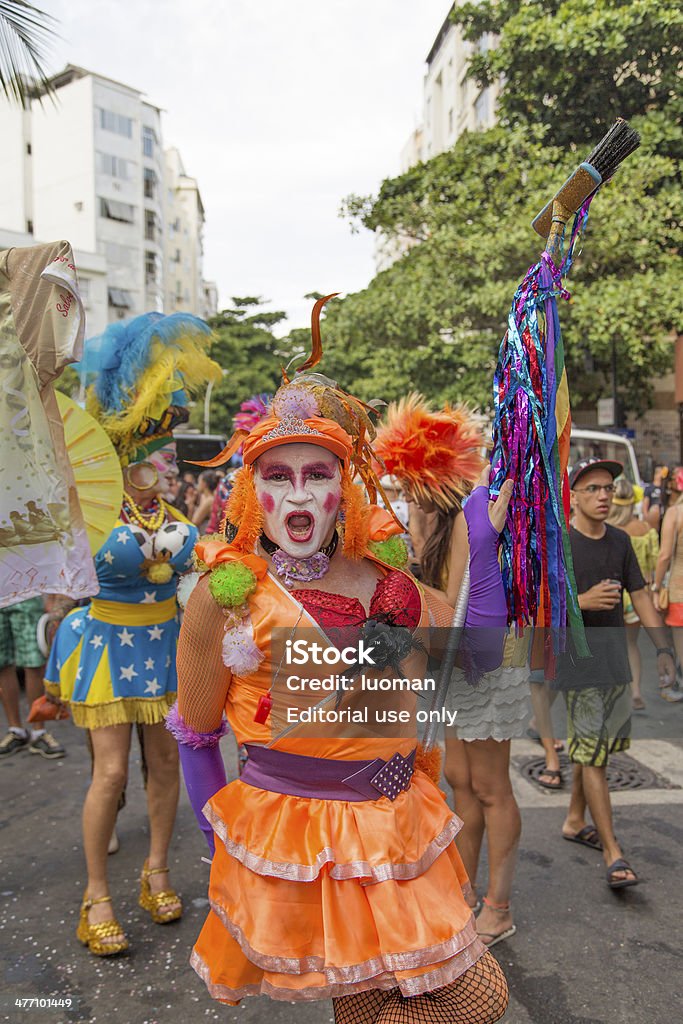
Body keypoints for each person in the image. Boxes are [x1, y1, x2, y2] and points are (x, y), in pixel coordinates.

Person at [170, 308, 511, 1022]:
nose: (297, 494)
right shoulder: (223, 597)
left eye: (317, 474)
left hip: (394, 827)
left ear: (343, 487)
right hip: (300, 840)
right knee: (393, 1000)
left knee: (466, 999)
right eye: (278, 475)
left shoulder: (386, 581)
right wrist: (218, 847)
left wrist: (482, 534)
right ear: (249, 490)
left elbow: (476, 655)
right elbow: (197, 732)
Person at [43, 312, 221, 956]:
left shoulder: (172, 513)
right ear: (129, 447)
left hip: (165, 647)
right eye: (158, 450)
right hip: (106, 647)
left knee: (166, 763)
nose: (168, 461)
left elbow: (200, 564)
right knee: (111, 774)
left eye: (168, 452)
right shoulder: (89, 507)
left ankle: (156, 872)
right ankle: (96, 895)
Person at [375, 392, 527, 949]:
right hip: (455, 664)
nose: (405, 490)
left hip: (485, 660)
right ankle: (462, 892)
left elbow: (455, 601)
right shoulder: (434, 519)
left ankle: (499, 905)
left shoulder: (473, 512)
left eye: (412, 480)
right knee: (460, 780)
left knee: (490, 787)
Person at [557, 458, 676, 888]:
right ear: (573, 495)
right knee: (595, 759)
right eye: (593, 489)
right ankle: (613, 850)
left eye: (609, 488)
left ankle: (574, 819)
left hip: (615, 665)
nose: (604, 496)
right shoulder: (561, 545)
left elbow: (641, 595)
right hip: (579, 666)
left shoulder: (621, 542)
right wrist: (581, 601)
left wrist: (664, 647)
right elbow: (536, 605)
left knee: (595, 751)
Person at [607, 478, 660, 710]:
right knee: (631, 645)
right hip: (639, 596)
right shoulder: (645, 529)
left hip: (615, 594)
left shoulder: (607, 531)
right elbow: (654, 561)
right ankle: (636, 690)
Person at [0, 596, 64, 758]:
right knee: (2, 663)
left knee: (34, 662)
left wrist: (51, 598)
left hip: (25, 592)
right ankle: (16, 731)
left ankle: (38, 731)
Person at [653, 466, 683, 701]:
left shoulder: (675, 513)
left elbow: (664, 555)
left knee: (680, 642)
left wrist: (656, 586)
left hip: (679, 588)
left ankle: (678, 686)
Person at [643, 465, 668, 533]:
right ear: (656, 474)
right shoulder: (649, 488)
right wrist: (646, 518)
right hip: (652, 518)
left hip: (662, 518)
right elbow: (645, 505)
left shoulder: (664, 488)